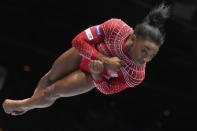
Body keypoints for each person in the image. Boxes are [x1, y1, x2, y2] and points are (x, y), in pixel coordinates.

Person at [2, 3, 171, 116]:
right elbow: (78, 41)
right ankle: (32, 103)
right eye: (145, 51)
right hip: (85, 54)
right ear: (134, 38)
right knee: (48, 78)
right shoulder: (115, 27)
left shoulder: (136, 75)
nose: (146, 59)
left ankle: (23, 105)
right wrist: (104, 60)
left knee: (51, 91)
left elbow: (108, 90)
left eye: (152, 55)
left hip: (91, 77)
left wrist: (97, 75)